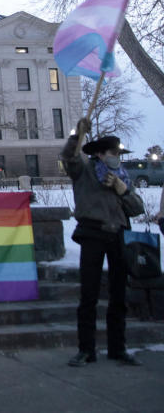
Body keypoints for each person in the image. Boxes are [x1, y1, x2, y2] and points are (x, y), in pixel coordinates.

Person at [62, 121, 144, 367]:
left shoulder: (122, 178)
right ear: (100, 154)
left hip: (117, 235)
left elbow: (137, 208)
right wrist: (78, 134)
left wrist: (123, 191)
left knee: (118, 295)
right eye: (112, 153)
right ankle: (86, 349)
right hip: (92, 234)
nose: (116, 157)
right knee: (89, 295)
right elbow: (69, 157)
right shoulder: (84, 171)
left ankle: (118, 348)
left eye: (118, 154)